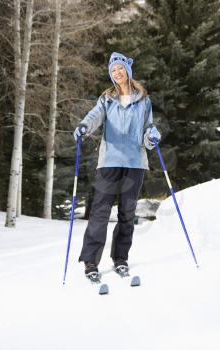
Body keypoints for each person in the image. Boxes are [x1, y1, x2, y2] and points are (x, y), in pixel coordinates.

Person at [73, 52, 161, 279]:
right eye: (113, 71)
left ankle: (120, 258)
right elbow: (94, 116)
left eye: (120, 68)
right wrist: (84, 126)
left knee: (127, 213)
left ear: (128, 71)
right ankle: (90, 261)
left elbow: (148, 129)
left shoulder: (144, 100)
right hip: (109, 162)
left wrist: (151, 136)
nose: (117, 73)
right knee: (100, 211)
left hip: (135, 163)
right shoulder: (107, 99)